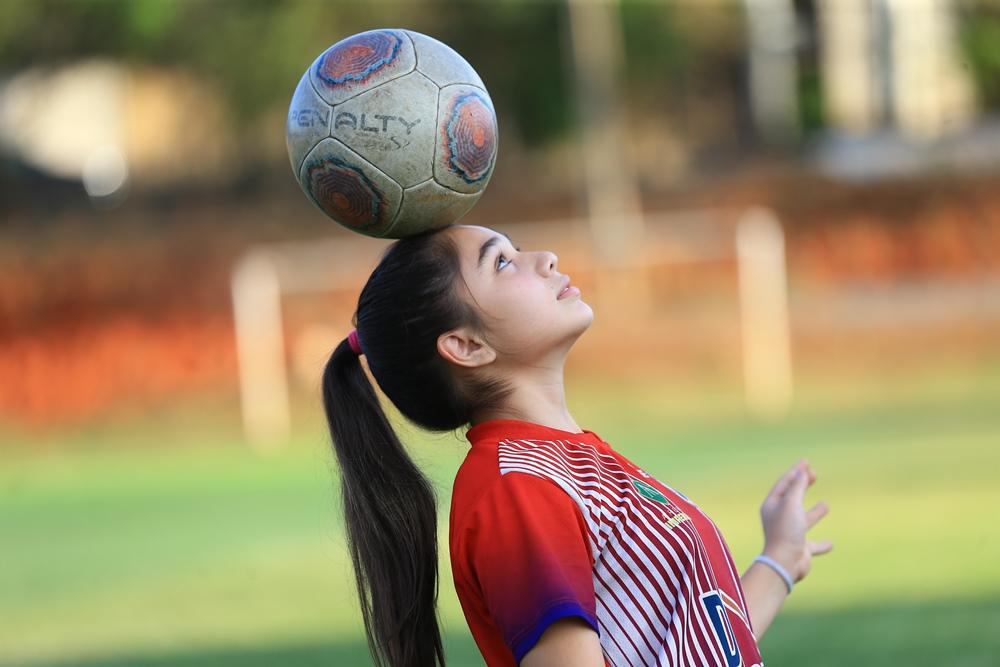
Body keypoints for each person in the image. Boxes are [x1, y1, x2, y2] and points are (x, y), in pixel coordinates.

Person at [322, 223, 833, 667]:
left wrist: (779, 560)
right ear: (467, 346)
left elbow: (694, 643)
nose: (544, 259)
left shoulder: (571, 459)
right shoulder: (515, 487)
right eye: (501, 262)